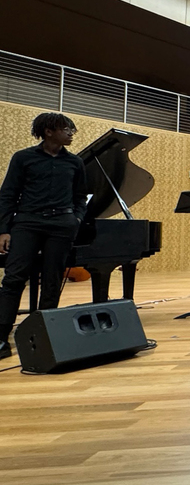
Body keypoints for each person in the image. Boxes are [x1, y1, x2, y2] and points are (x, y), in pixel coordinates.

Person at [0, 113, 88, 359]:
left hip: (61, 225)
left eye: (71, 129)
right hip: (27, 222)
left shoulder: (75, 163)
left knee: (52, 281)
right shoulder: (23, 158)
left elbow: (80, 196)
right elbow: (8, 194)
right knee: (13, 279)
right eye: (66, 129)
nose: (71, 133)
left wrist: (75, 219)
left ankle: (42, 336)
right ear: (49, 132)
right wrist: (4, 229)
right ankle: (1, 338)